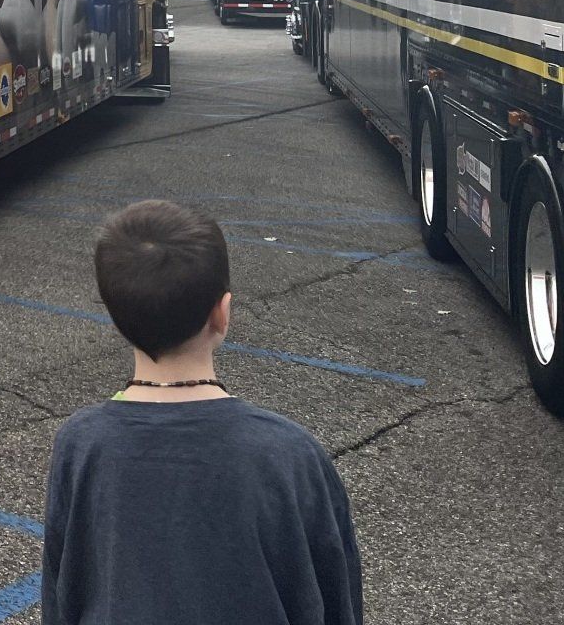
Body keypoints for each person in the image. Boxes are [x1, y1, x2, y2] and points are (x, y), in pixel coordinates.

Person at [42, 200, 363, 624]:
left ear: (116, 320)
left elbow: (63, 592)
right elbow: (337, 597)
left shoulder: (80, 445)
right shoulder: (291, 453)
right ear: (222, 312)